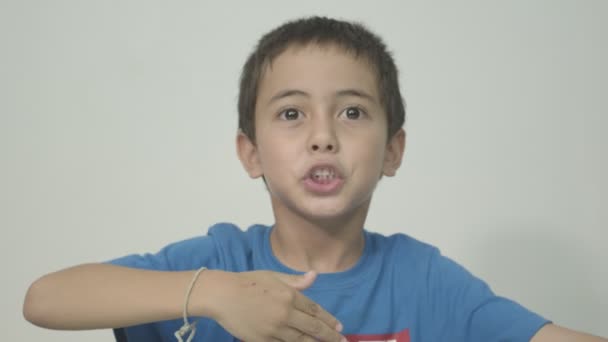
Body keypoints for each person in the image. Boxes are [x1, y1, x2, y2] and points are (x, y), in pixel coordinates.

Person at [23, 16, 606, 342]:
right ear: (251, 154)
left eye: (352, 112)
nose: (322, 136)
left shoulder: (426, 280)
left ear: (392, 152)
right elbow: (44, 299)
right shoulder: (219, 258)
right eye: (291, 113)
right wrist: (216, 295)